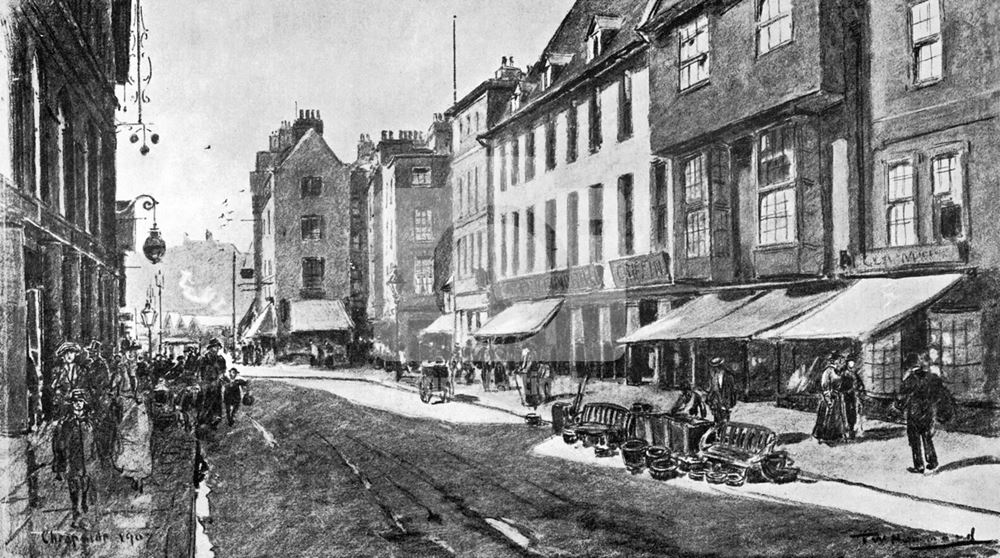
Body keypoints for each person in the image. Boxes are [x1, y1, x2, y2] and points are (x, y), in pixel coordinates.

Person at [898, 352, 954, 474]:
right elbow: (939, 394)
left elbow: (901, 397)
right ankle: (932, 461)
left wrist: (900, 407)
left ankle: (919, 466)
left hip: (914, 412)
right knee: (927, 437)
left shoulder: (909, 379)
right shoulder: (931, 378)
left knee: (915, 439)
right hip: (928, 412)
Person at [52, 389, 95, 528]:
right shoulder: (67, 422)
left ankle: (84, 502)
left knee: (85, 481)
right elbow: (61, 442)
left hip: (87, 457)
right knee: (74, 483)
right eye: (75, 402)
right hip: (74, 457)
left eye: (80, 401)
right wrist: (61, 461)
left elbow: (93, 439)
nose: (78, 404)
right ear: (71, 404)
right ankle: (76, 510)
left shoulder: (89, 420)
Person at [113, 388, 152, 492]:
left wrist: (123, 432)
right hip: (132, 438)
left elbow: (142, 426)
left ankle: (137, 479)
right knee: (132, 459)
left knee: (137, 459)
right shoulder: (131, 409)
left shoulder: (137, 409)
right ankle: (136, 478)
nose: (126, 401)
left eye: (127, 398)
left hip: (135, 437)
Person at [813, 351, 848, 444]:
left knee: (837, 417)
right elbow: (824, 386)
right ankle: (823, 436)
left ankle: (836, 435)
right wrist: (828, 399)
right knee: (826, 417)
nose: (840, 361)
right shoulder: (828, 371)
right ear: (834, 361)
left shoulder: (838, 371)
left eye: (840, 360)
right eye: (838, 360)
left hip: (837, 398)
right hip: (829, 398)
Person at [51, 342, 85, 417]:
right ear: (62, 356)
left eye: (72, 352)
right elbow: (54, 387)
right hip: (63, 406)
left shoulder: (80, 370)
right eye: (66, 353)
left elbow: (83, 387)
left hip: (77, 406)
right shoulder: (58, 371)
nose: (69, 355)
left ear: (75, 354)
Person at [705, 357, 738, 425]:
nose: (715, 369)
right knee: (717, 422)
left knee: (725, 422)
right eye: (714, 367)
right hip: (716, 404)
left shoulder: (729, 376)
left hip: (725, 403)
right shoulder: (714, 376)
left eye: (716, 367)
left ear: (721, 366)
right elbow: (713, 389)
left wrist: (729, 405)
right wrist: (709, 400)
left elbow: (732, 391)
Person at [840, 355, 866, 439]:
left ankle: (853, 430)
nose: (852, 363)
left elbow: (859, 382)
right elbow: (841, 385)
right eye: (850, 362)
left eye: (853, 362)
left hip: (855, 396)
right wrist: (848, 391)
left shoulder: (854, 373)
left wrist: (861, 388)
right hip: (847, 396)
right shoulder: (844, 373)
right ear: (847, 363)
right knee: (847, 413)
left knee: (854, 413)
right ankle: (848, 431)